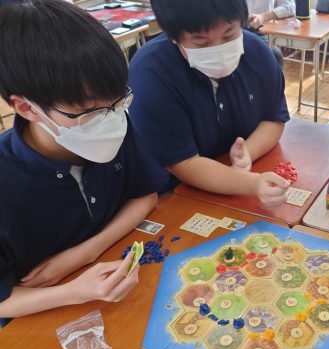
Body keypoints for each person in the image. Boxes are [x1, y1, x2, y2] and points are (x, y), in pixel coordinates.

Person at [0, 0, 168, 321]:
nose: (111, 118)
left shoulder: (113, 123)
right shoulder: (7, 184)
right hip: (39, 318)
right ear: (26, 108)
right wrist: (72, 291)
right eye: (88, 110)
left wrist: (85, 252)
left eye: (118, 99)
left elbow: (146, 196)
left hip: (115, 285)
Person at [129, 0, 291, 206]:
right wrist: (252, 183)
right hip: (177, 193)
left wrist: (246, 153)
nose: (219, 49)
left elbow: (273, 119)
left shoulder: (256, 51)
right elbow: (184, 163)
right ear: (173, 37)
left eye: (229, 35)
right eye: (201, 43)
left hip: (239, 178)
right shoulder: (151, 73)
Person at [245, 0, 295, 66]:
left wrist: (263, 17)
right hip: (237, 27)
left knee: (274, 55)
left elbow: (291, 7)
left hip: (261, 29)